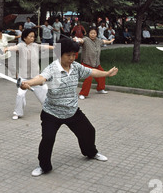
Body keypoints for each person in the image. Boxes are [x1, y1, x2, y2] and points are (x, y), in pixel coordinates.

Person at [20, 38, 118, 176]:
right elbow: (41, 78)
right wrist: (27, 82)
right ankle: (44, 167)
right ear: (59, 53)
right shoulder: (52, 68)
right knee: (47, 139)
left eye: (74, 55)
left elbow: (91, 72)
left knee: (89, 131)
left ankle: (91, 153)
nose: (72, 58)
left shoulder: (76, 67)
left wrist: (106, 74)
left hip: (72, 111)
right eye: (68, 55)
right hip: (52, 113)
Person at [5, 28, 54, 120]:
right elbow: (13, 48)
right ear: (24, 37)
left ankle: (49, 108)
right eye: (30, 36)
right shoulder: (20, 46)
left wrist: (57, 47)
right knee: (20, 95)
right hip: (23, 78)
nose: (32, 38)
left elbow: (47, 47)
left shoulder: (35, 45)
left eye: (33, 36)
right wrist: (6, 49)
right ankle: (17, 113)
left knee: (45, 92)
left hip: (36, 77)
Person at [75, 27, 115, 99]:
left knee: (102, 74)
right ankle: (83, 94)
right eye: (91, 33)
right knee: (88, 78)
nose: (93, 35)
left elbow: (104, 41)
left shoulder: (98, 41)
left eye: (94, 33)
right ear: (88, 34)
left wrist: (110, 41)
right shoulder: (86, 40)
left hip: (96, 64)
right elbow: (81, 41)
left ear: (96, 34)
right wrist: (77, 39)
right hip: (87, 64)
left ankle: (100, 89)